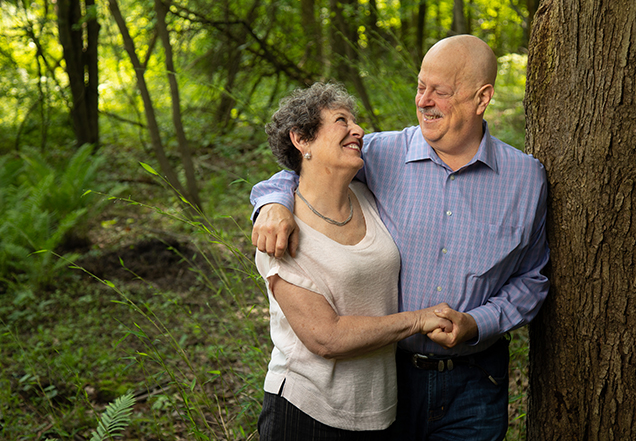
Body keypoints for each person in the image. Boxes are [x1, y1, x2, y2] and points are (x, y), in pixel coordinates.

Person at [251, 35, 550, 440]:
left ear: (482, 98)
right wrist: (271, 205)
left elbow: (533, 278)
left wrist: (478, 322)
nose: (423, 100)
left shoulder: (526, 179)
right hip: (390, 380)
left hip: (477, 384)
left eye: (439, 92)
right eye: (420, 86)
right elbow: (307, 167)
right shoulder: (379, 154)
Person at [254, 82, 452, 441]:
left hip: (381, 409)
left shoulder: (368, 196)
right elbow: (326, 337)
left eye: (356, 120)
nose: (358, 130)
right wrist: (418, 320)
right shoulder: (279, 232)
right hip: (306, 412)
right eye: (341, 120)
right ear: (302, 139)